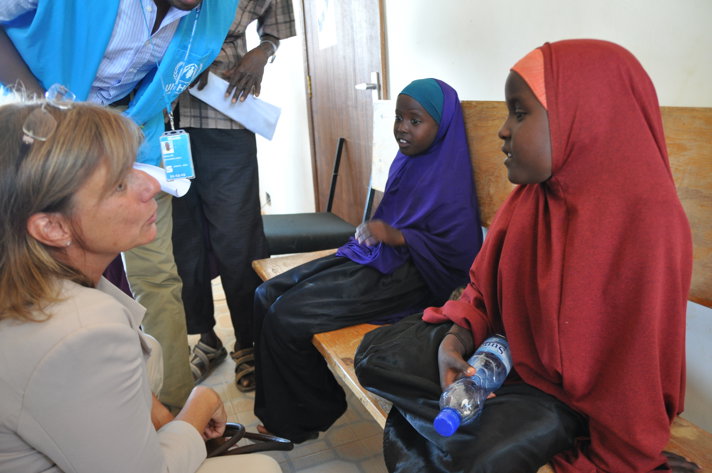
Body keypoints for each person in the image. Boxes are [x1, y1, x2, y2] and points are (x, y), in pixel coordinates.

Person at [354, 40, 700, 473]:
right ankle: (467, 419)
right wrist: (457, 339)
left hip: (572, 399)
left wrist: (615, 456)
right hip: (503, 356)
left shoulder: (648, 226)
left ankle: (482, 428)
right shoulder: (533, 198)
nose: (504, 129)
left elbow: (635, 382)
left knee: (472, 460)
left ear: (584, 117)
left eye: (519, 112)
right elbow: (482, 288)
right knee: (374, 356)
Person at [0, 97, 281, 473]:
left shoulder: (49, 288)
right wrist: (197, 407)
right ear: (52, 226)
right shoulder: (81, 333)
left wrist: (164, 417)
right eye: (118, 184)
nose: (151, 184)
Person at [0, 0, 239, 412]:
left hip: (132, 129)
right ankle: (72, 407)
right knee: (45, 273)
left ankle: (173, 407)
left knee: (158, 275)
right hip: (42, 132)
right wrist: (45, 109)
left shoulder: (214, 10)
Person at [253, 78, 483, 443]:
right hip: (381, 259)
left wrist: (399, 236)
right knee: (266, 293)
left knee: (287, 315)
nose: (402, 129)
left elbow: (460, 252)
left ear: (442, 128)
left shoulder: (449, 177)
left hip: (414, 275)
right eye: (399, 118)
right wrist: (380, 233)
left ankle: (304, 415)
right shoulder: (409, 161)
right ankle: (291, 406)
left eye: (415, 120)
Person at [172, 0, 296, 390]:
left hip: (224, 111)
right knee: (180, 242)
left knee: (238, 237)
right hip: (160, 116)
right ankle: (203, 339)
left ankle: (249, 341)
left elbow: (276, 28)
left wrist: (263, 51)